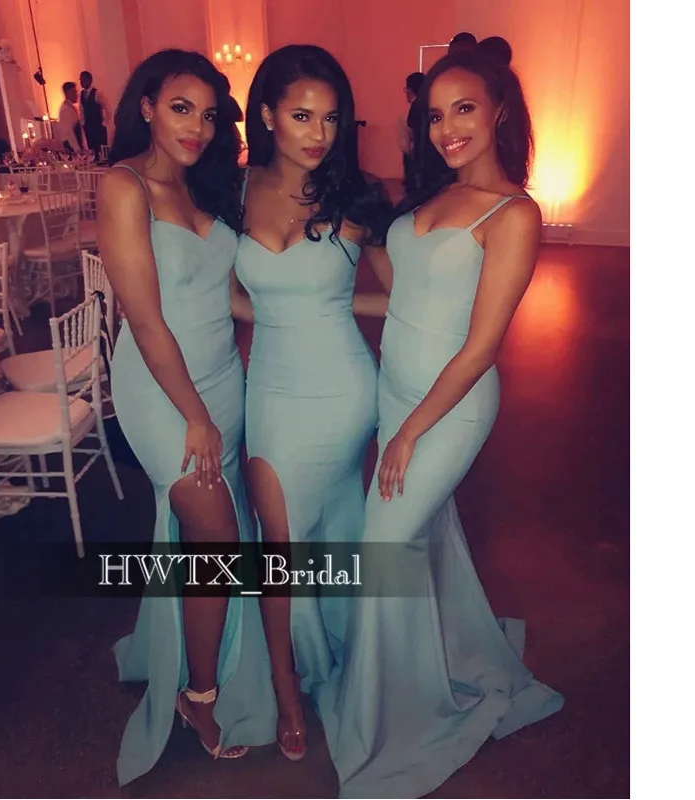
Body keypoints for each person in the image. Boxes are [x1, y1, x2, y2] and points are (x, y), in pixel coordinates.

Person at [326, 47, 564, 798]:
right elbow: (405, 299)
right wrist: (320, 300)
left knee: (385, 546)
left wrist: (408, 433)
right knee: (421, 539)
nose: (447, 128)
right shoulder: (431, 195)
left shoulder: (514, 214)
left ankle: (391, 718)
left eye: (464, 109)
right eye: (434, 115)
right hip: (398, 389)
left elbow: (481, 346)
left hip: (450, 406)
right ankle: (439, 654)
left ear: (500, 111)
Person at [98, 49, 276, 786]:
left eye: (207, 114)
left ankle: (181, 652)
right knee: (216, 534)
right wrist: (196, 417)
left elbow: (226, 299)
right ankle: (198, 696)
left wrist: (312, 310)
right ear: (146, 106)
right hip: (161, 391)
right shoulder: (124, 186)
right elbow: (145, 320)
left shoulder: (208, 190)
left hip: (222, 379)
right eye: (180, 108)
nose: (197, 126)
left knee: (211, 535)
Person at [231, 43, 393, 762]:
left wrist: (328, 304)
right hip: (272, 392)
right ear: (267, 115)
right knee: (279, 548)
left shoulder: (356, 197)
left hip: (345, 389)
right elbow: (230, 294)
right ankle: (287, 691)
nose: (319, 133)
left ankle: (351, 657)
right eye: (301, 116)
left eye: (330, 118)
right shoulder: (231, 191)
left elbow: (400, 297)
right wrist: (281, 310)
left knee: (338, 529)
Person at [398, 71, 424, 176]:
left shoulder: (416, 105)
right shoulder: (428, 104)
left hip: (417, 152)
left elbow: (411, 126)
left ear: (410, 90)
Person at [79, 70, 111, 156]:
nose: (81, 82)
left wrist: (104, 124)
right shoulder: (81, 94)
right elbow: (81, 110)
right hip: (88, 127)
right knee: (92, 150)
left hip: (98, 126)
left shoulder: (97, 93)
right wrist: (83, 124)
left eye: (83, 79)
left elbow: (108, 109)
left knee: (102, 150)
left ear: (90, 80)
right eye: (80, 80)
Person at [55, 81, 82, 152]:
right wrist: (77, 149)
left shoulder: (71, 108)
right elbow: (68, 132)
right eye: (75, 92)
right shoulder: (65, 110)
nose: (77, 94)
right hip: (71, 147)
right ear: (69, 93)